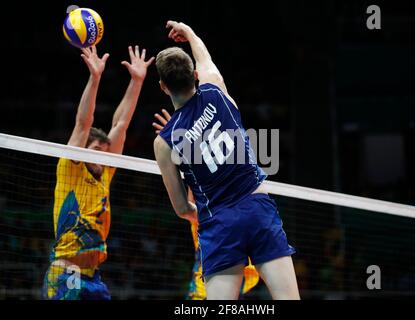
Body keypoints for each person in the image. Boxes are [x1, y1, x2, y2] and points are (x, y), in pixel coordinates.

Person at [153, 21, 300, 300]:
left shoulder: (164, 142)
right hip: (257, 208)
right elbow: (205, 59)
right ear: (195, 75)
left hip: (218, 225)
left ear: (162, 86)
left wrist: (207, 214)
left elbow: (182, 208)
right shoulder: (215, 91)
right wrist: (190, 33)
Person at [43, 45, 154, 300]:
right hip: (66, 272)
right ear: (83, 150)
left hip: (94, 277)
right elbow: (84, 123)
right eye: (95, 150)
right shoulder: (71, 167)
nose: (101, 157)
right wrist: (95, 78)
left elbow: (121, 124)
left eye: (104, 152)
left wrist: (137, 82)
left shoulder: (104, 173)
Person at [153, 111, 260, 300]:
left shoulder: (244, 204)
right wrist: (183, 141)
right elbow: (193, 193)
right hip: (203, 294)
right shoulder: (204, 214)